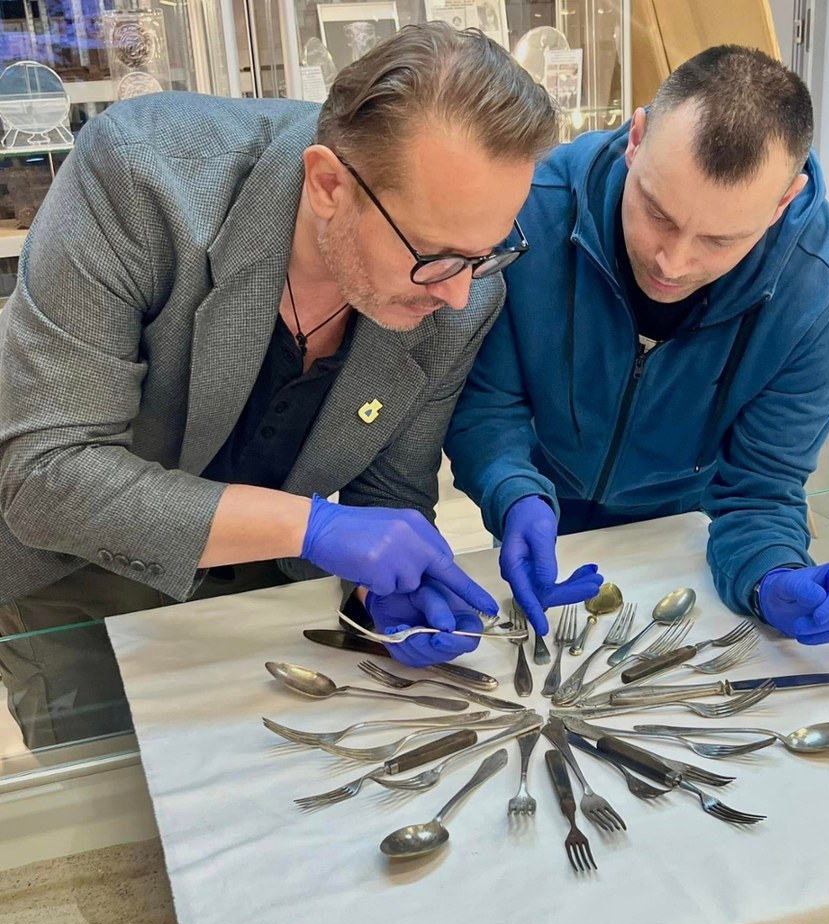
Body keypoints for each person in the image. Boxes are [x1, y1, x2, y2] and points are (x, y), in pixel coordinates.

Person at [0, 23, 566, 748]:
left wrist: (388, 587)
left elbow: (390, 492)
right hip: (81, 578)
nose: (457, 293)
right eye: (434, 255)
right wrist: (313, 527)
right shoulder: (141, 178)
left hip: (268, 585)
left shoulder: (464, 294)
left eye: (485, 253)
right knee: (116, 796)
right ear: (328, 184)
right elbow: (47, 476)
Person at [446, 45, 829, 647]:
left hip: (685, 530)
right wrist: (511, 491)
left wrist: (773, 575)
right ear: (636, 139)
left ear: (783, 202)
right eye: (658, 213)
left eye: (720, 240)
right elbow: (489, 405)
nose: (672, 263)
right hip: (538, 497)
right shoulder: (532, 207)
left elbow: (762, 488)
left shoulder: (819, 286)